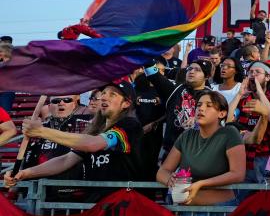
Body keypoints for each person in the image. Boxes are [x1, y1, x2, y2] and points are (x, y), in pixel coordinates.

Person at [5, 81, 146, 193]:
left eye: (112, 94)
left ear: (126, 103)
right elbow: (66, 160)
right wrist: (24, 173)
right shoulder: (95, 130)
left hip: (122, 205)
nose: (104, 97)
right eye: (103, 93)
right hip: (95, 204)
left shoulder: (130, 126)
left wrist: (41, 132)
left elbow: (94, 144)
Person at [156, 91, 244, 216]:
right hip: (183, 214)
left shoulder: (229, 133)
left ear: (222, 114)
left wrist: (201, 184)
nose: (201, 108)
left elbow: (238, 174)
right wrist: (170, 180)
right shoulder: (186, 136)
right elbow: (162, 172)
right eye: (198, 105)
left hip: (218, 213)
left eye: (209, 105)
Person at [227, 62, 270, 182]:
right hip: (245, 158)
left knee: (265, 197)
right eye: (250, 72)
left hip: (267, 158)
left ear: (267, 77)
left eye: (257, 72)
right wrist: (239, 94)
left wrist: (260, 93)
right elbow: (228, 119)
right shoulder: (243, 99)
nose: (253, 75)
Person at [147, 58, 212, 158]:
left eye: (197, 70)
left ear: (207, 76)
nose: (191, 72)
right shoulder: (174, 89)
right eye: (190, 69)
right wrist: (145, 56)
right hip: (171, 151)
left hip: (198, 153)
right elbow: (154, 75)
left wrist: (197, 121)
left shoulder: (213, 97)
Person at [19, 95, 84, 172]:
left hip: (73, 179)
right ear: (49, 107)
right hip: (38, 178)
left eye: (67, 100)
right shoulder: (36, 128)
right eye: (56, 101)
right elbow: (27, 158)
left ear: (74, 105)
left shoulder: (83, 125)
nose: (61, 103)